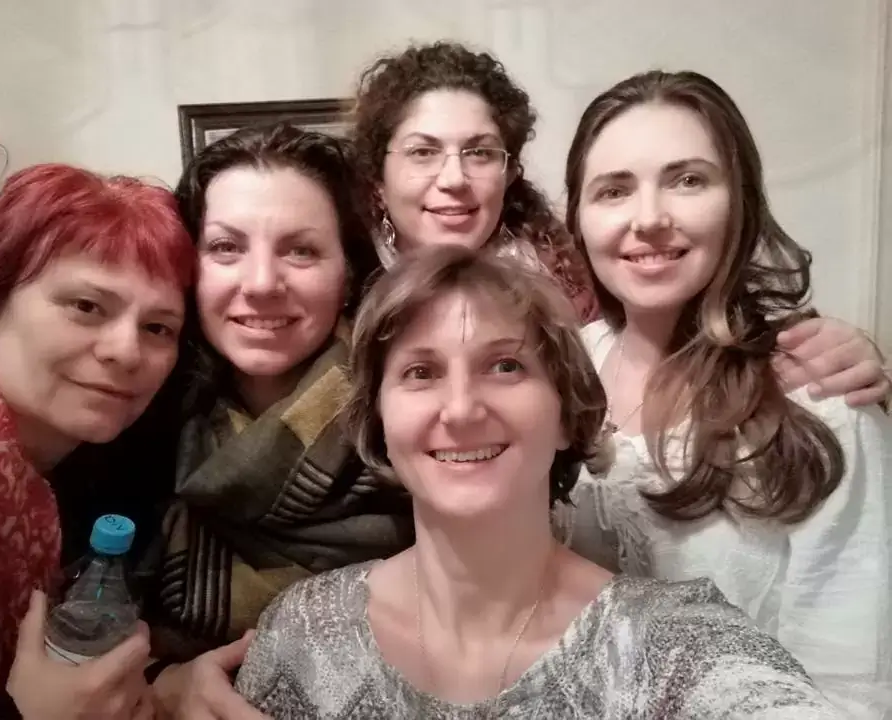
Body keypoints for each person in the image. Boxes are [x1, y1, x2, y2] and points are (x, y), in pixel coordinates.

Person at [234, 245, 843, 719]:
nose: (461, 408)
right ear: (379, 422)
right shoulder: (305, 636)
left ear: (565, 414)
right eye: (421, 372)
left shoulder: (672, 647)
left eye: (505, 366)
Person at [558, 69, 891, 717]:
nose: (649, 219)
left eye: (688, 180)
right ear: (579, 217)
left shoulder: (817, 398)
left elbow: (852, 684)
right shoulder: (562, 368)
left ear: (739, 201)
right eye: (614, 190)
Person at [350, 40, 891, 408]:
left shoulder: (576, 281)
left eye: (480, 152)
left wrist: (851, 360)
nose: (454, 179)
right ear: (378, 177)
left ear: (510, 172)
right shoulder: (338, 288)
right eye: (422, 152)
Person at [148, 124, 413, 716]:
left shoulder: (411, 419)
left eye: (301, 250)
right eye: (226, 248)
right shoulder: (142, 419)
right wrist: (164, 683)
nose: (262, 283)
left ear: (348, 275)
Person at [0, 163, 194, 718]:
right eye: (86, 307)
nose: (126, 352)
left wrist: (163, 681)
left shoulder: (107, 466)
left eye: (158, 328)